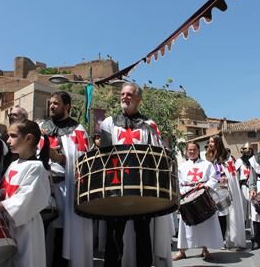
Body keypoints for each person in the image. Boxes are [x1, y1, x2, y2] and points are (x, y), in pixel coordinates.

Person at [100, 82, 172, 267]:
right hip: (116, 185)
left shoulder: (149, 125)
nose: (124, 97)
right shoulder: (109, 122)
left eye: (129, 94)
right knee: (114, 233)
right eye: (122, 94)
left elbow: (157, 155)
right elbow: (104, 155)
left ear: (138, 99)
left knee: (142, 232)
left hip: (142, 186)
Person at [0, 120, 51, 266]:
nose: (8, 140)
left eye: (13, 135)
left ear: (28, 138)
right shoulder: (14, 164)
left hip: (26, 227)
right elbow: (2, 192)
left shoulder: (37, 167)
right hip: (6, 224)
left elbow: (22, 200)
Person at [39, 91, 92, 267]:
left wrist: (60, 158)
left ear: (67, 106)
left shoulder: (78, 130)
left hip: (65, 187)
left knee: (62, 232)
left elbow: (82, 161)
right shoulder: (41, 127)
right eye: (51, 103)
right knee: (41, 231)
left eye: (56, 103)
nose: (52, 106)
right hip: (42, 185)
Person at [173, 142, 223, 261]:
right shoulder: (182, 167)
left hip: (202, 195)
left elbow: (213, 178)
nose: (191, 152)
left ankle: (205, 250)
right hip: (187, 196)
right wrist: (182, 193)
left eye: (194, 149)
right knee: (185, 225)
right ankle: (182, 251)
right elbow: (178, 182)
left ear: (198, 150)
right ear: (186, 151)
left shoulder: (207, 164)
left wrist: (206, 187)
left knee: (205, 224)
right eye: (189, 150)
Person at [205, 135, 246, 249]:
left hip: (224, 189)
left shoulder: (226, 157)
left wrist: (224, 176)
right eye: (209, 142)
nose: (210, 144)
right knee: (215, 215)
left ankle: (226, 239)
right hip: (212, 189)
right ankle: (216, 239)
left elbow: (229, 173)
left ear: (218, 143)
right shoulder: (208, 156)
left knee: (224, 214)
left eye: (212, 142)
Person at [235, 142, 254, 228]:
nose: (247, 153)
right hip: (243, 187)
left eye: (249, 151)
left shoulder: (254, 161)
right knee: (243, 208)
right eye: (246, 151)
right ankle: (242, 227)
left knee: (252, 208)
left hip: (253, 187)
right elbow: (236, 176)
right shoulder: (239, 161)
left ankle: (253, 228)